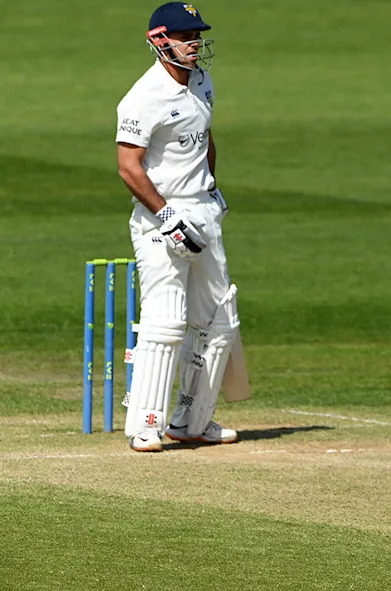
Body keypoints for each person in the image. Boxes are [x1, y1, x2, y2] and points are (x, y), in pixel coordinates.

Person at [115, 2, 239, 452]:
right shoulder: (142, 98)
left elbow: (205, 139)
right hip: (160, 217)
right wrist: (165, 215)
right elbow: (129, 167)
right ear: (159, 40)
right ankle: (146, 423)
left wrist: (213, 191)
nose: (195, 45)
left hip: (204, 209)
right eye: (187, 37)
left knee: (220, 320)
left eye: (197, 37)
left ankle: (192, 421)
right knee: (166, 322)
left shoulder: (202, 82)